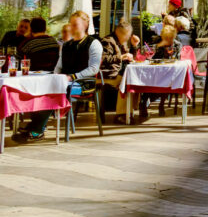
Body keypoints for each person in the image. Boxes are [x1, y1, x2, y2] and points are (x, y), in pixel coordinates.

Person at [15, 12, 100, 142]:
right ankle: (36, 126)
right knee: (44, 88)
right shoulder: (66, 45)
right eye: (71, 24)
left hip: (83, 84)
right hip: (64, 82)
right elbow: (58, 66)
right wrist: (54, 77)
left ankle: (37, 130)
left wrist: (72, 76)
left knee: (56, 91)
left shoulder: (93, 44)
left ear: (85, 25)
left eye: (75, 24)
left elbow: (94, 68)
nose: (72, 27)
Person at [100, 21, 141, 124]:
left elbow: (128, 57)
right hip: (106, 74)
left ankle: (130, 110)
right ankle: (121, 115)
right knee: (126, 82)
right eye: (127, 36)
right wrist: (121, 57)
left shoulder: (118, 42)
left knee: (134, 80)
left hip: (115, 73)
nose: (128, 39)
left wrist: (134, 46)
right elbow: (103, 58)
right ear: (123, 33)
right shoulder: (108, 41)